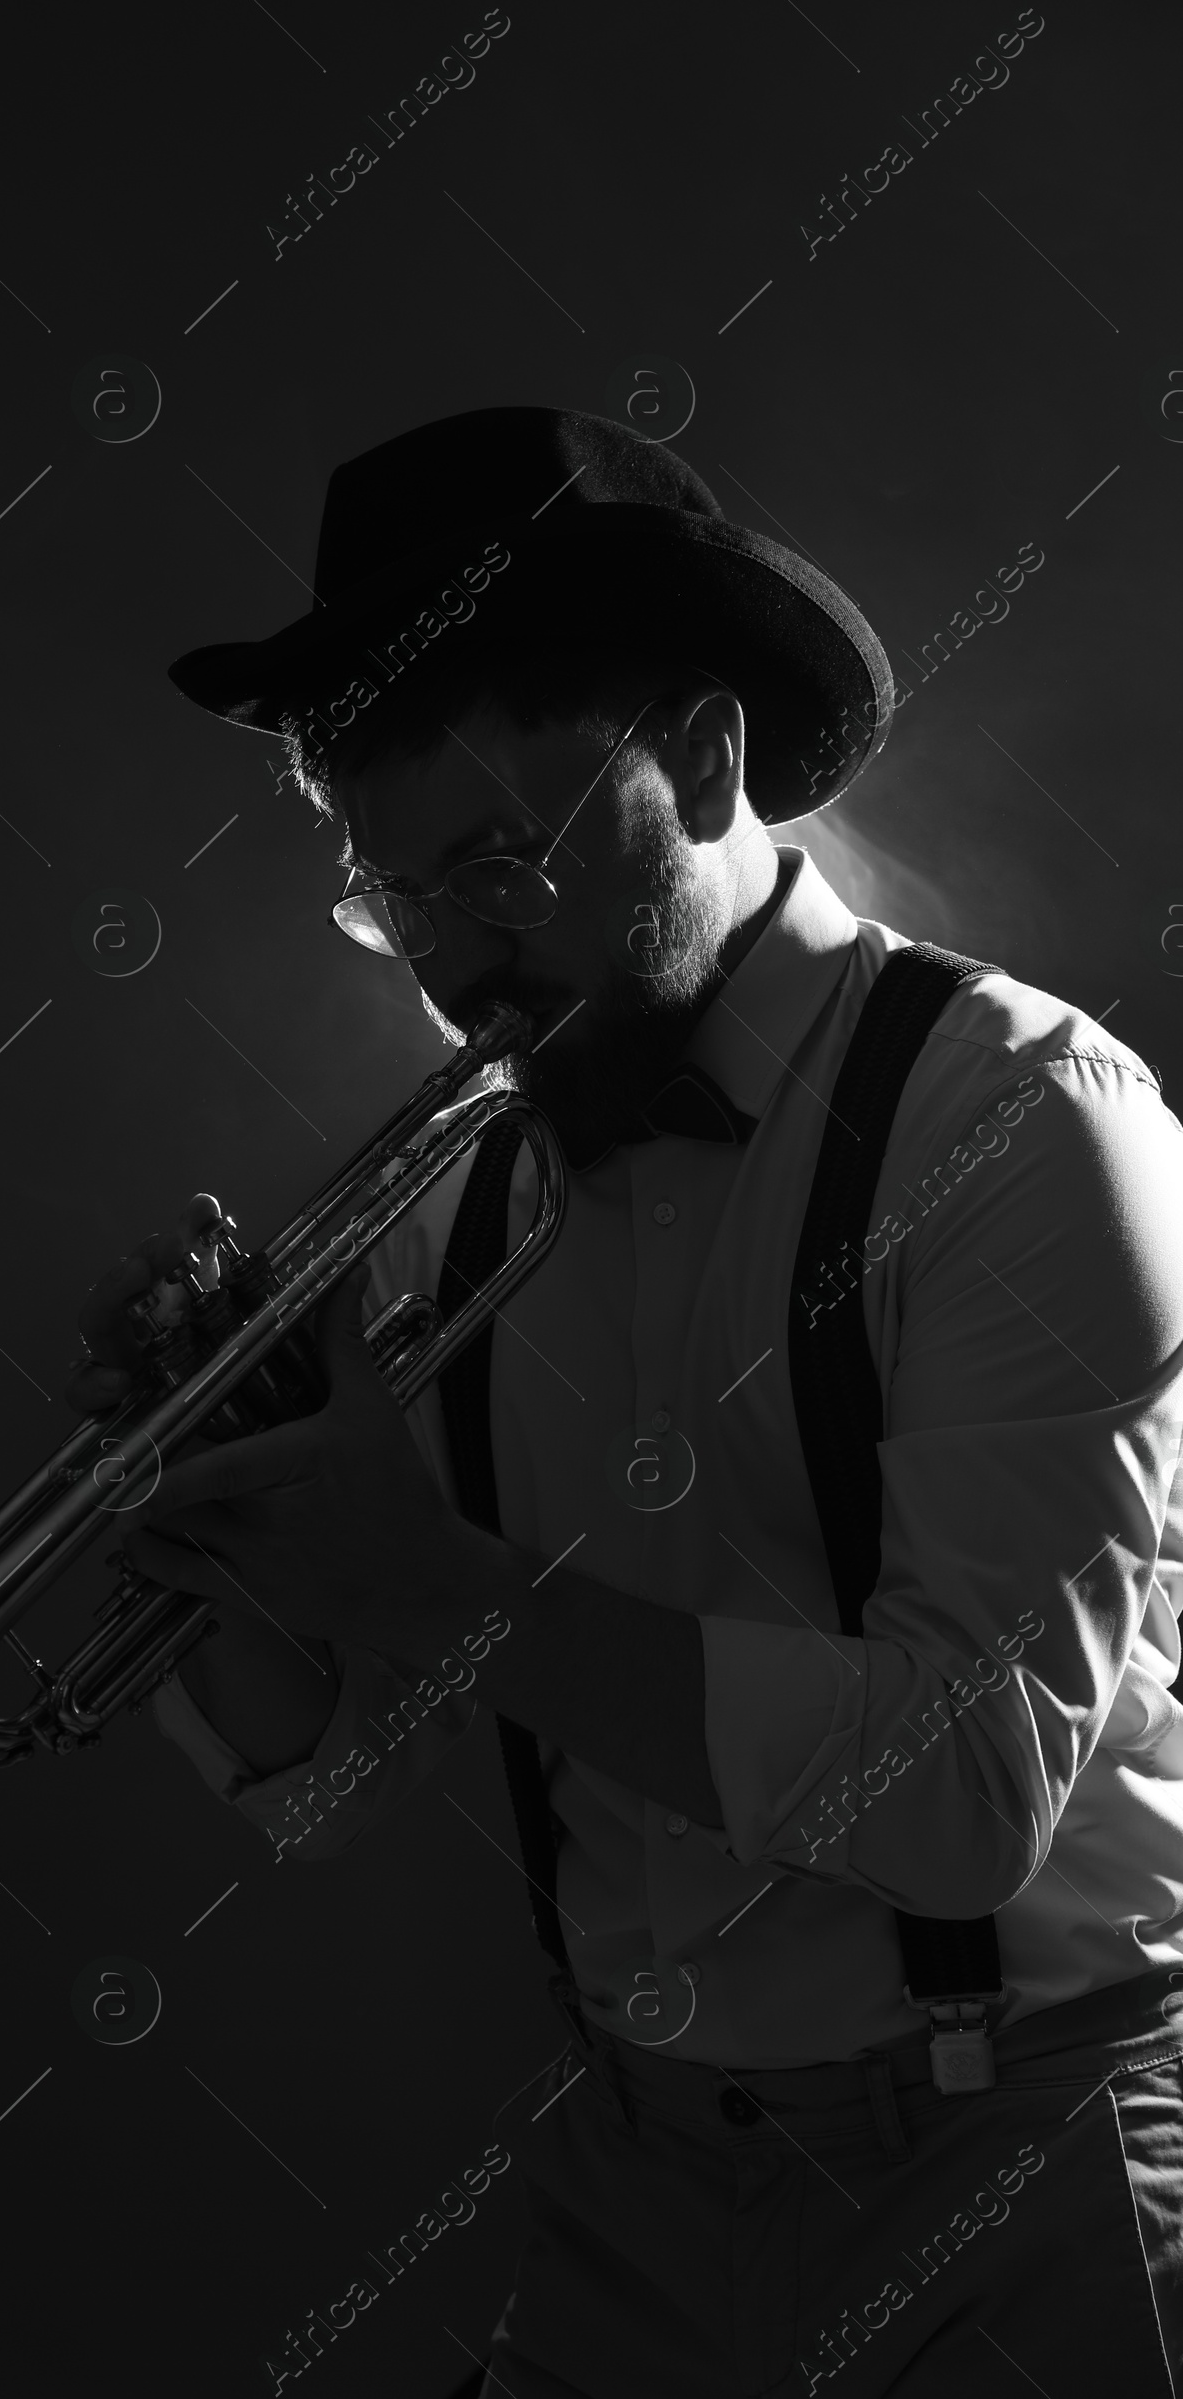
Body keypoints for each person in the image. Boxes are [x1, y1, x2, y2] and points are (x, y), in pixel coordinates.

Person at [67, 408, 1183, 2397]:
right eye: (396, 901)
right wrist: (215, 1515)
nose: (456, 973)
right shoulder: (459, 1205)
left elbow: (960, 1789)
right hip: (639, 2173)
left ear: (695, 755)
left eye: (498, 867)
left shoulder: (1016, 1121)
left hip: (1026, 2164)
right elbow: (318, 1771)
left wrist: (420, 1583)